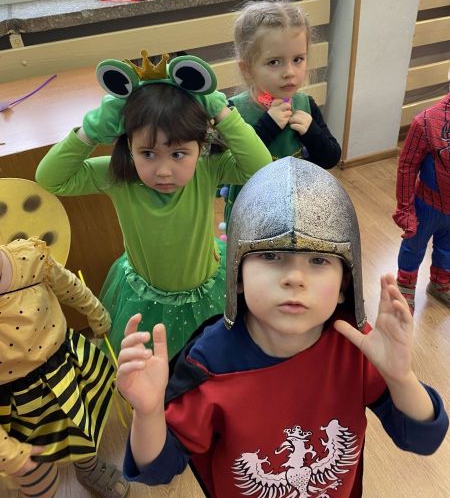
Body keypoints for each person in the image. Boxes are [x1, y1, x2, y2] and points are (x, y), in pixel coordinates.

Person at [116, 158, 448, 498]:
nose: (294, 278)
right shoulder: (209, 362)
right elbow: (157, 469)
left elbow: (423, 438)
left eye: (318, 260)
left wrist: (400, 377)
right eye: (271, 256)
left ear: (344, 284)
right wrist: (149, 413)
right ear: (237, 276)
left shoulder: (356, 347)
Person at [36, 52, 271, 359]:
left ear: (201, 147)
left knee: (209, 358)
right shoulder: (118, 176)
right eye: (147, 153)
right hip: (146, 296)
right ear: (129, 147)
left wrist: (222, 112)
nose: (163, 171)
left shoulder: (208, 168)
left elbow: (260, 166)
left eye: (178, 154)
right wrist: (89, 131)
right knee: (153, 363)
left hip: (206, 287)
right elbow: (50, 178)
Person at [0, 237, 128, 498]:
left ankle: (88, 468)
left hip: (63, 367)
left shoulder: (29, 257)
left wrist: (96, 313)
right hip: (15, 401)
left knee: (80, 425)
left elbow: (70, 286)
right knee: (35, 467)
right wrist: (12, 456)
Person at [222, 0, 341, 225]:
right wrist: (267, 127)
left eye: (298, 59)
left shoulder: (305, 104)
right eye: (274, 62)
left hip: (299, 208)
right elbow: (225, 169)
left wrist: (311, 132)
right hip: (252, 214)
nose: (289, 72)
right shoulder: (233, 112)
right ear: (247, 69)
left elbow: (331, 158)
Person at [393, 80, 450, 313]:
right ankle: (405, 287)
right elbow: (407, 167)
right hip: (426, 206)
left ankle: (440, 282)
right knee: (413, 247)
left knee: (447, 249)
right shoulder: (426, 122)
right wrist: (405, 209)